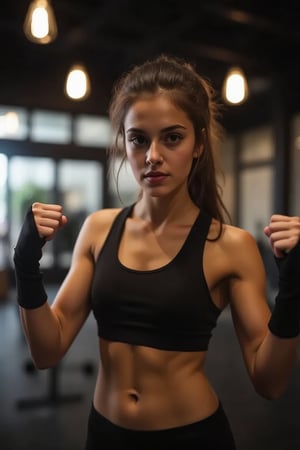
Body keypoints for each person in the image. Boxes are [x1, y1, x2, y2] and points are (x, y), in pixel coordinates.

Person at [13, 54, 300, 450]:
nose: (152, 156)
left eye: (172, 137)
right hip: (104, 435)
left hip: (194, 437)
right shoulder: (99, 229)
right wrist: (25, 267)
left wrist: (293, 293)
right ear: (124, 143)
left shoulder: (230, 246)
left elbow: (270, 383)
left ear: (198, 143)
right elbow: (47, 350)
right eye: (138, 139)